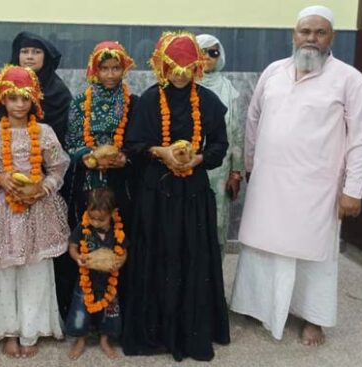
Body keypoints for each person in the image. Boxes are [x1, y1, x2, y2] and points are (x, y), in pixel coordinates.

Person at [230, 5, 362, 347]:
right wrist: (250, 164)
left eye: (319, 32)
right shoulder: (274, 72)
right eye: (304, 31)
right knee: (262, 246)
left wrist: (353, 189)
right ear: (294, 35)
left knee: (313, 253)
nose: (311, 38)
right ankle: (255, 305)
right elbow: (253, 120)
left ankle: (313, 318)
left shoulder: (350, 80)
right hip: (268, 182)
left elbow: (361, 139)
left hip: (317, 187)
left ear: (331, 38)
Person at [120, 31, 230, 361]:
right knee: (157, 254)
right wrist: (160, 151)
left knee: (191, 256)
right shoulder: (151, 100)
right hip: (157, 192)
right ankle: (154, 333)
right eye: (173, 67)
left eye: (186, 67)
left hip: (193, 193)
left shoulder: (208, 102)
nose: (180, 74)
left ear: (198, 67)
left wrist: (198, 159)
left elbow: (219, 147)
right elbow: (133, 145)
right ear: (162, 67)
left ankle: (191, 330)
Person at [0, 65, 69, 358]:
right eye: (12, 98)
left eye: (24, 99)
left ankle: (31, 329)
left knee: (34, 270)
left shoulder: (44, 132)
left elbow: (58, 168)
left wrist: (42, 188)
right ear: (2, 99)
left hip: (37, 210)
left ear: (34, 102)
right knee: (4, 271)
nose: (18, 104)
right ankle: (8, 331)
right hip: (3, 212)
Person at [58, 40, 138, 318]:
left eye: (116, 68)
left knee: (119, 238)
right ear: (95, 69)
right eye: (105, 68)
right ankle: (83, 315)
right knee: (87, 238)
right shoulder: (81, 102)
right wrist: (89, 156)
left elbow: (137, 142)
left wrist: (124, 157)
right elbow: (70, 143)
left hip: (121, 185)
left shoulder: (132, 102)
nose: (111, 74)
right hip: (88, 183)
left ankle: (116, 318)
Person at [195, 34, 244, 258]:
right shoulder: (183, 84)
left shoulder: (229, 91)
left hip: (220, 170)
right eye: (201, 51)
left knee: (216, 223)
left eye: (212, 53)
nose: (206, 57)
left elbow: (236, 134)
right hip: (187, 167)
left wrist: (236, 172)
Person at [65, 188, 128, 361]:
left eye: (101, 219)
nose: (95, 222)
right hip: (86, 281)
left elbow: (123, 252)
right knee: (80, 312)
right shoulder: (83, 228)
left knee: (110, 313)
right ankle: (80, 340)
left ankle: (104, 340)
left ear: (112, 214)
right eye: (92, 217)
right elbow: (72, 246)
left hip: (108, 282)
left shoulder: (117, 231)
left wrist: (119, 262)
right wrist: (78, 258)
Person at [0, 32, 72, 146]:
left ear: (45, 57)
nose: (29, 56)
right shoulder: (5, 85)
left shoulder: (58, 92)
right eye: (25, 51)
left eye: (36, 52)